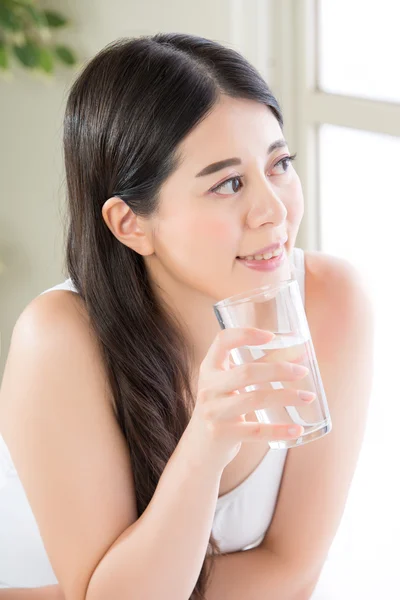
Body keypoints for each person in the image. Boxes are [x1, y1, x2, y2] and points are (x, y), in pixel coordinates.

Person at [0, 33, 373, 600]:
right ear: (131, 224)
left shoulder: (330, 300)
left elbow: (293, 575)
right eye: (228, 183)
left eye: (279, 164)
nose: (273, 210)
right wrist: (206, 440)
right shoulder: (59, 340)